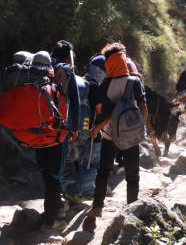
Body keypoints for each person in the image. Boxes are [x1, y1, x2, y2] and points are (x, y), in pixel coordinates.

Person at [84, 43, 148, 230]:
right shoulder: (135, 82)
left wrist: (96, 129)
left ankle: (96, 208)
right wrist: (139, 126)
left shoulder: (105, 84)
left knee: (103, 172)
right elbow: (143, 107)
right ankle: (131, 212)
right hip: (131, 136)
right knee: (133, 176)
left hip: (110, 135)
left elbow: (105, 113)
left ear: (109, 64)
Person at [31, 50, 70, 232]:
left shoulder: (30, 80)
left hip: (34, 134)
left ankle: (57, 209)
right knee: (55, 177)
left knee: (47, 174)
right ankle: (51, 220)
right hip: (55, 135)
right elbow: (71, 103)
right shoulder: (59, 76)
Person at [63, 55, 106, 203]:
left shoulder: (81, 82)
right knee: (91, 164)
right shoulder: (94, 87)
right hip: (92, 135)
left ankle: (82, 190)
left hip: (77, 131)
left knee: (82, 164)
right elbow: (100, 111)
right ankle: (78, 193)